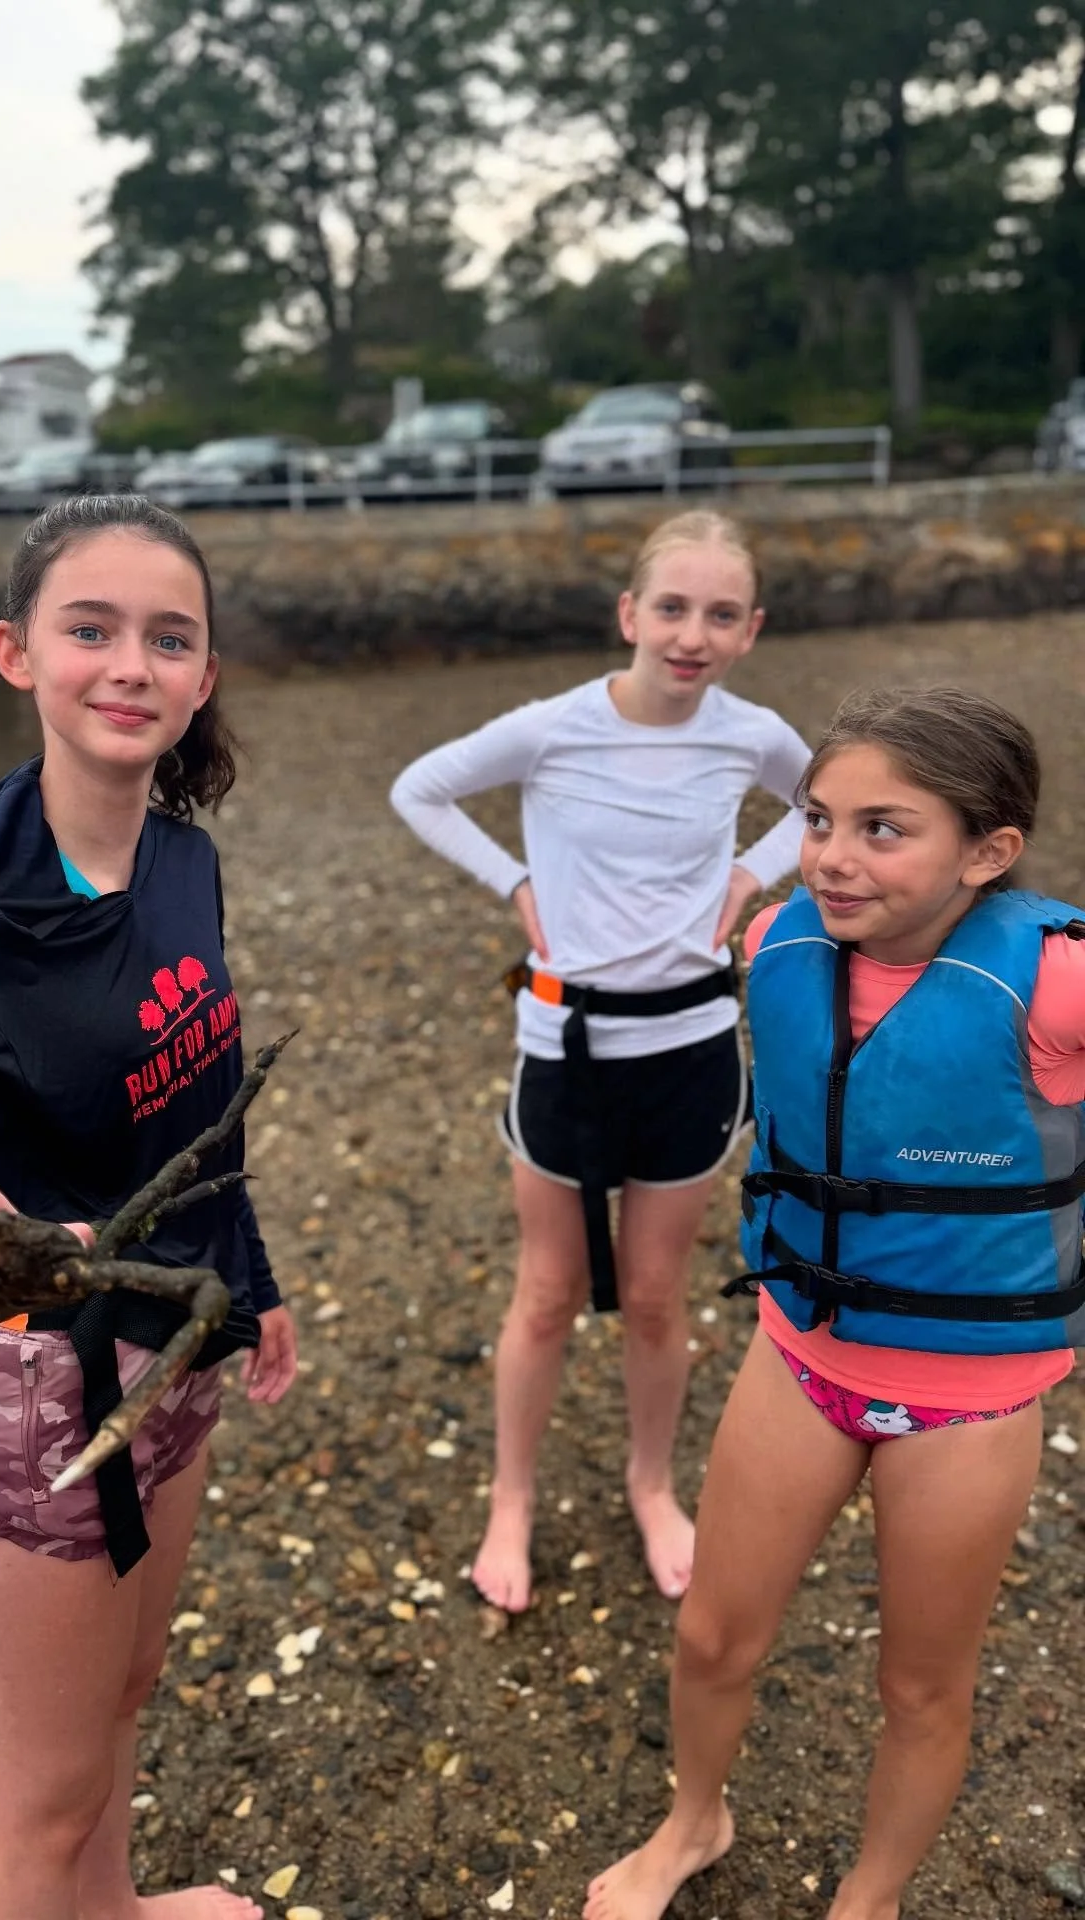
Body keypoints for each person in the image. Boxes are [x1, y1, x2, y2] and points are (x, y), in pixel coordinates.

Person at [0, 494, 297, 1920]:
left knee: (131, 1684)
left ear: (204, 675)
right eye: (90, 630)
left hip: (177, 1324)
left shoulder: (183, 859)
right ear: (16, 653)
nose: (131, 665)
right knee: (36, 1803)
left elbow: (205, 1109)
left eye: (170, 639)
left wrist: (258, 1282)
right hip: (33, 1370)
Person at [585, 685, 1085, 1920]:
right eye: (819, 819)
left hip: (970, 1401)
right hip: (803, 1355)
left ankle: (869, 1901)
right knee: (712, 1638)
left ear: (989, 851)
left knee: (921, 1689)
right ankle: (693, 1820)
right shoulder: (776, 948)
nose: (834, 856)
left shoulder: (1060, 978)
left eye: (884, 828)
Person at [389, 510, 810, 1605]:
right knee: (545, 1292)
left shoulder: (750, 733)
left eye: (722, 615)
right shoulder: (552, 728)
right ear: (631, 614)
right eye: (672, 607)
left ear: (750, 630)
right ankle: (511, 1502)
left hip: (695, 1048)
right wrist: (516, 884)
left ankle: (652, 1484)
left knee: (662, 1296)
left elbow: (826, 802)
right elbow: (418, 788)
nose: (693, 634)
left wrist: (753, 874)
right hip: (567, 1050)